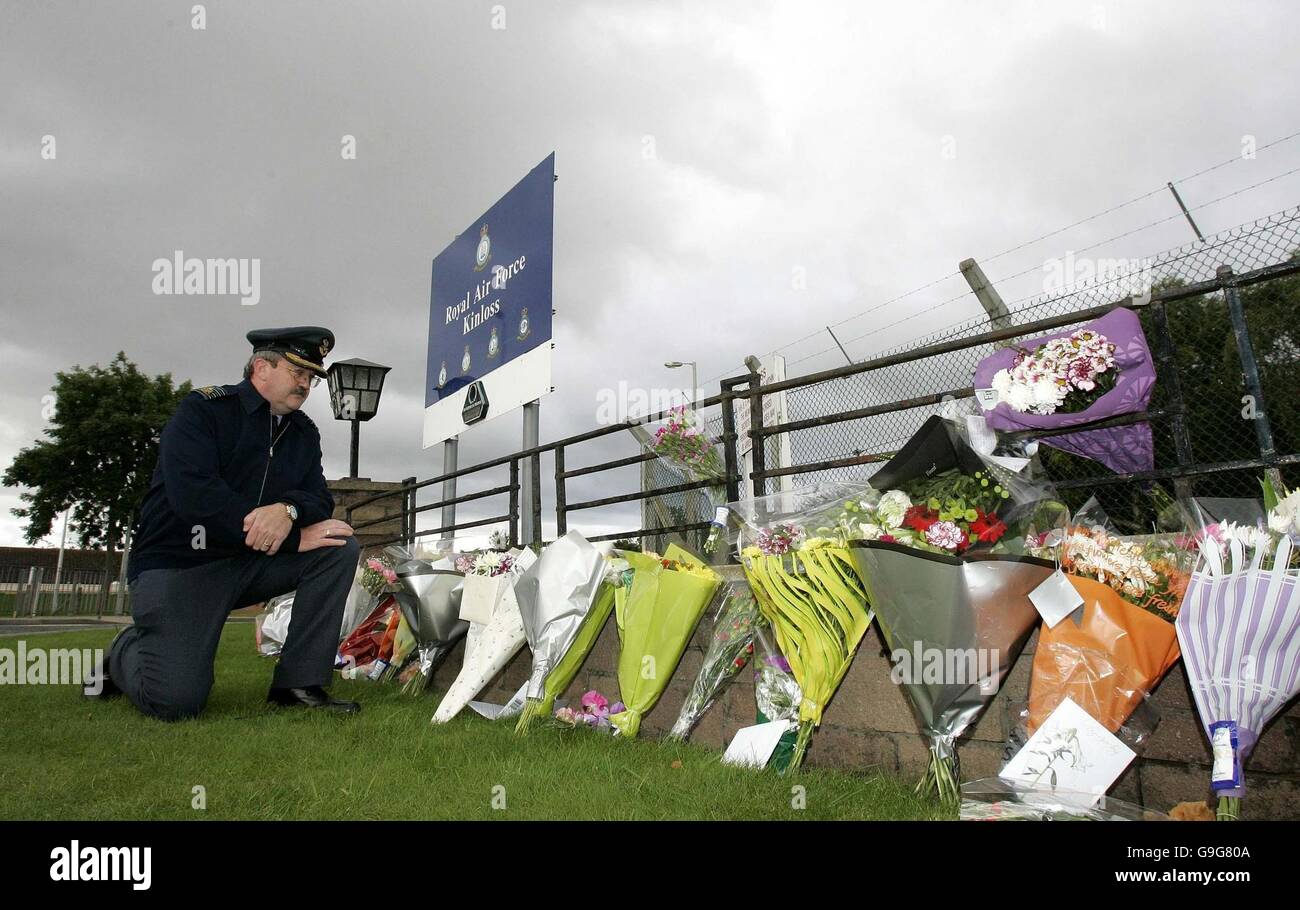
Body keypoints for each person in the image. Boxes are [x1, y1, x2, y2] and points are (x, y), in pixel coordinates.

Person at [87, 327, 363, 718]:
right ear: (261, 368)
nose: (305, 384)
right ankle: (125, 650)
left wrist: (287, 511)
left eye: (311, 378)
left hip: (247, 564)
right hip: (181, 566)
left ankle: (299, 683)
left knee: (337, 547)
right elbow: (194, 498)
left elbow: (319, 497)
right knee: (176, 703)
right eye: (297, 372)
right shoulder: (204, 411)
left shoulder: (302, 433)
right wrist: (285, 538)